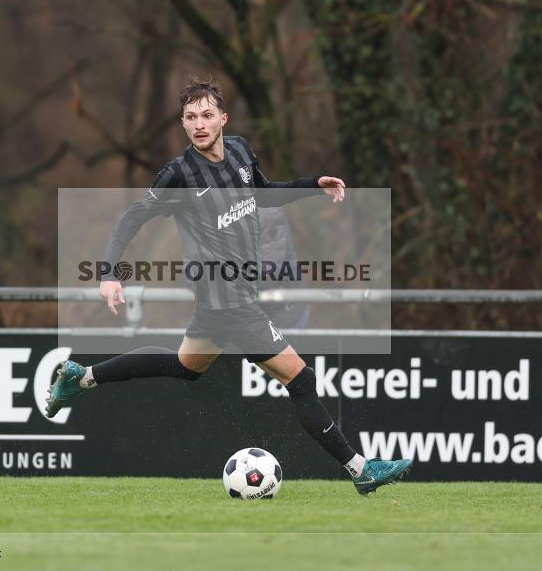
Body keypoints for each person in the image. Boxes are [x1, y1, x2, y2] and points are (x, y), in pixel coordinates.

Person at [46, 77, 411, 496]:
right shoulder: (178, 175)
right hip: (228, 301)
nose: (198, 124)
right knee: (302, 379)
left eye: (206, 115)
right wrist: (108, 273)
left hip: (225, 300)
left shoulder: (238, 150)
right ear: (182, 123)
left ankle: (82, 377)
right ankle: (359, 469)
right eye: (189, 117)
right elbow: (130, 219)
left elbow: (264, 194)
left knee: (185, 367)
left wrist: (314, 185)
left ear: (223, 118)